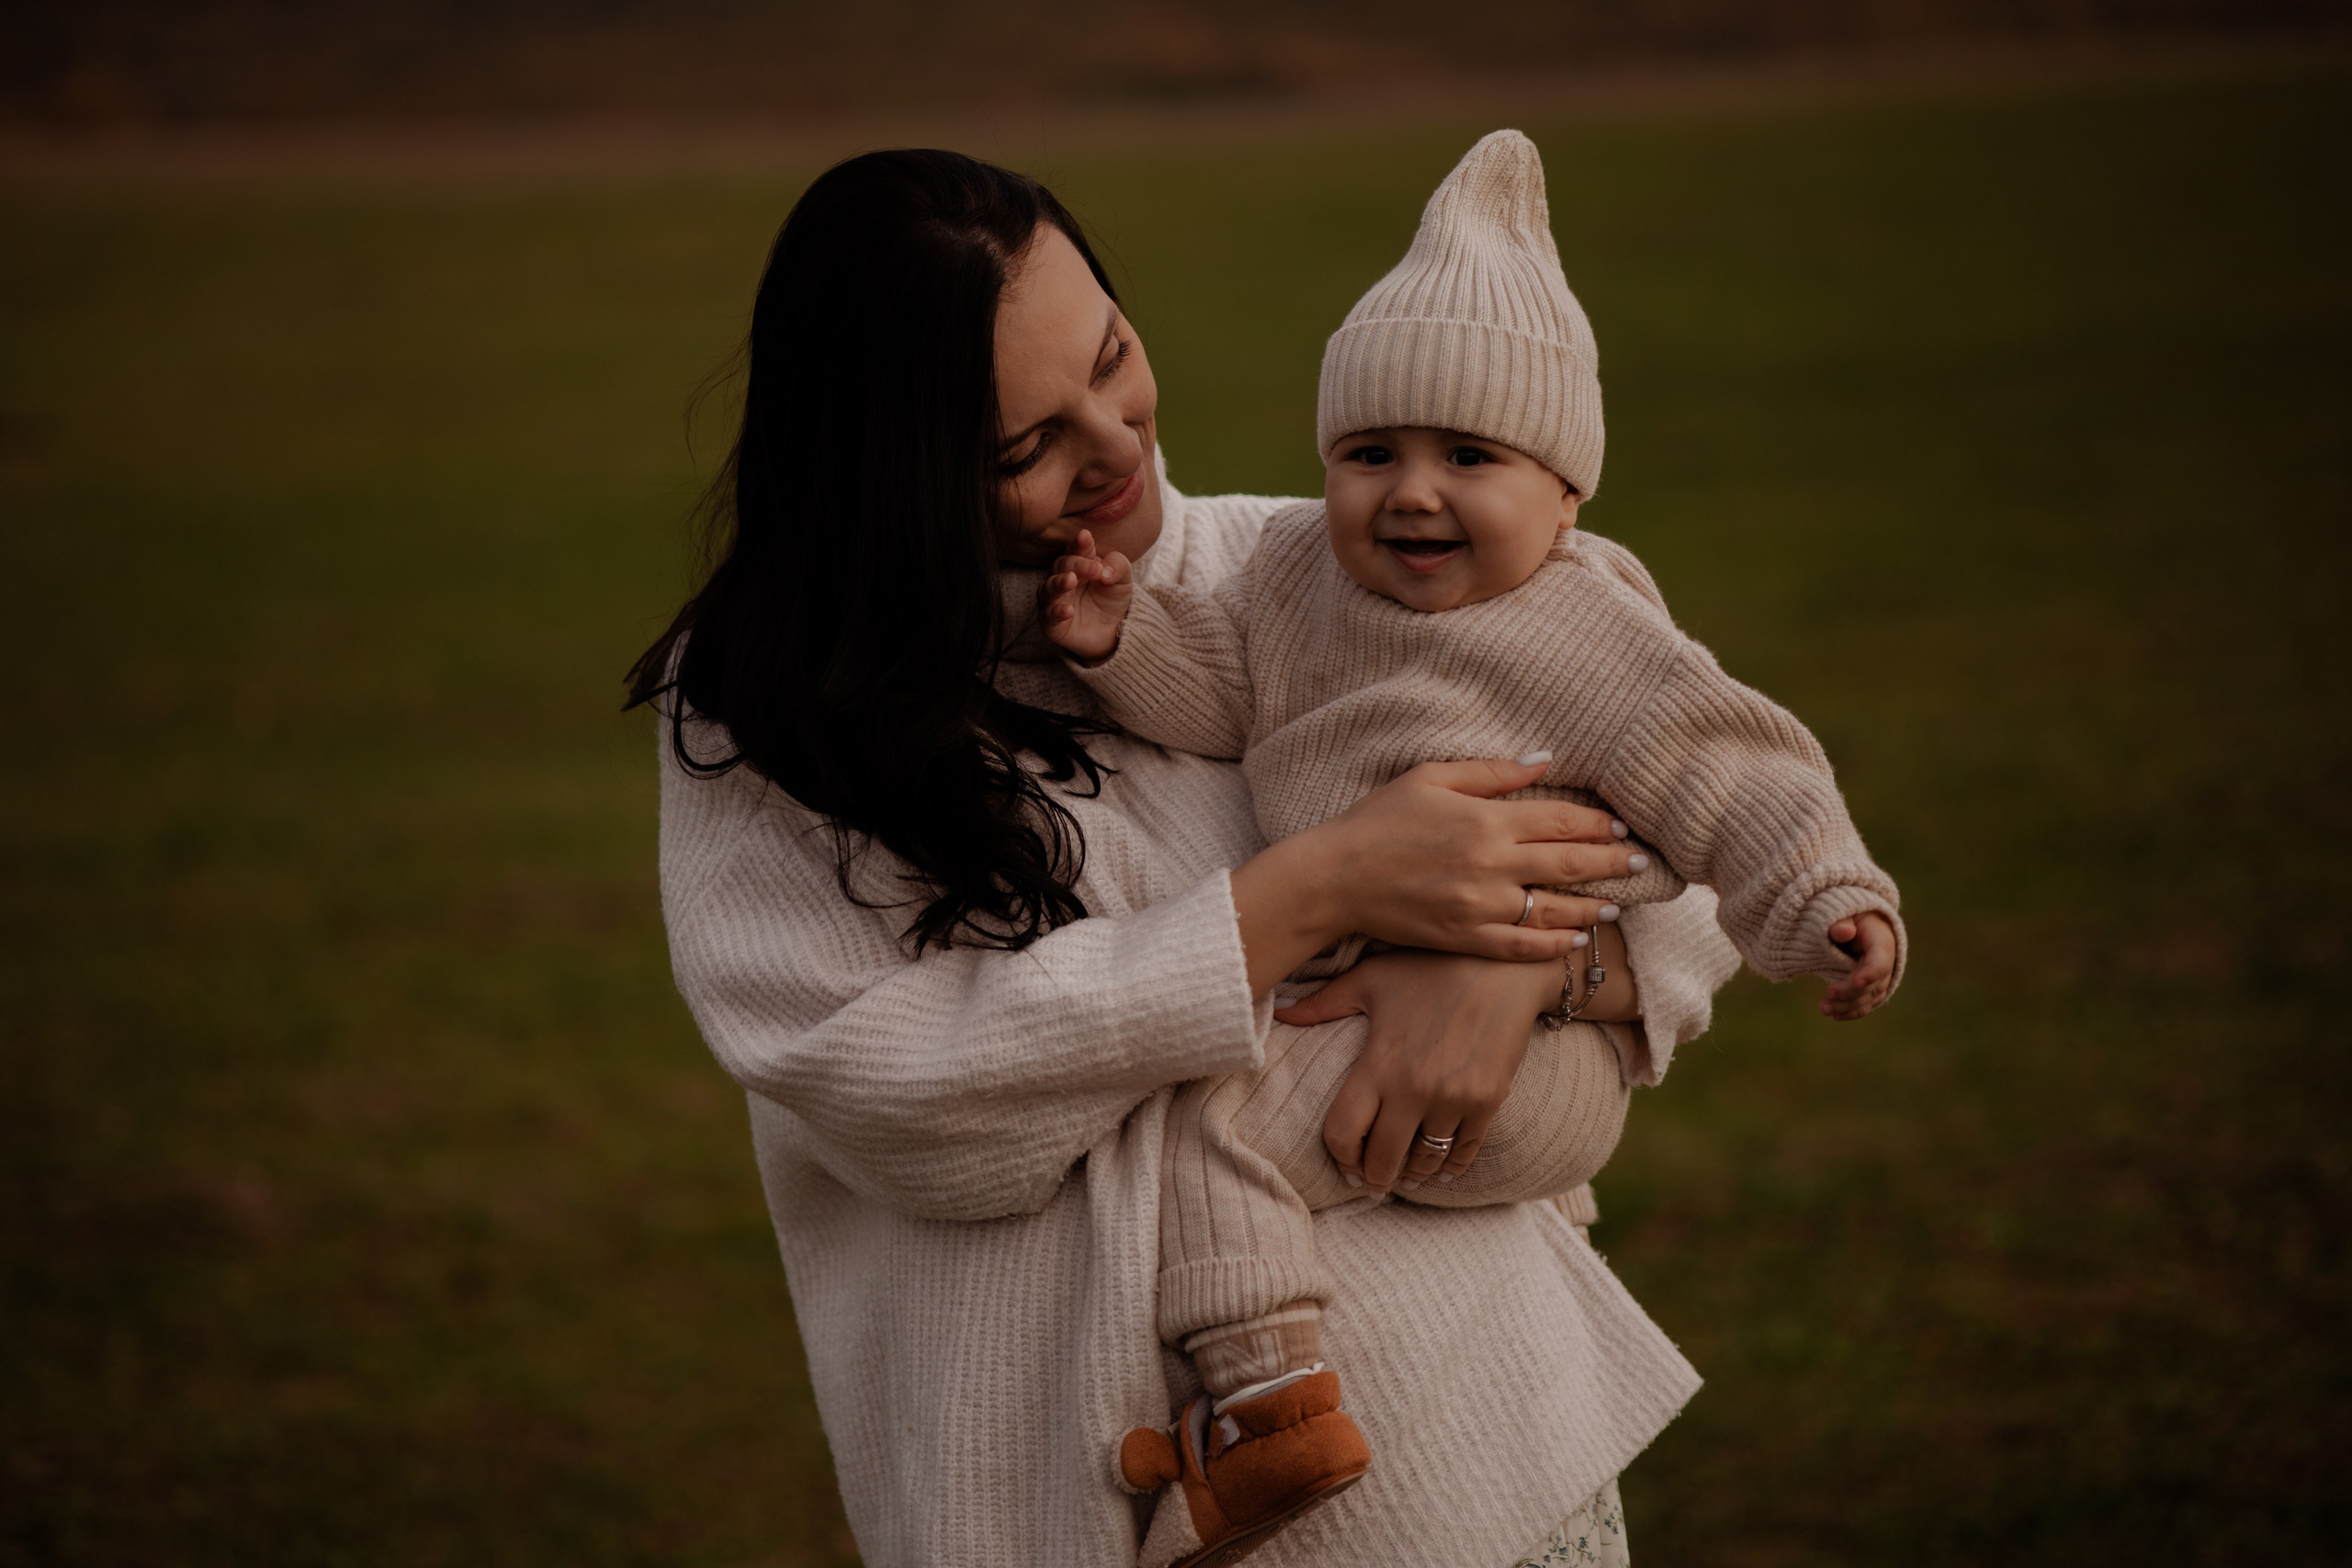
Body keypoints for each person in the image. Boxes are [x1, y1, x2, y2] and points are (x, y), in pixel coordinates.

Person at [630, 146, 1747, 1568]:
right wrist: (1316, 892)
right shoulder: (773, 721)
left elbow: (1702, 805)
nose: (1119, 445)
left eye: (1113, 355)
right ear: (891, 479)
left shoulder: (1293, 570)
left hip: (1476, 1469)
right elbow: (899, 1097)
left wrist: (1530, 972)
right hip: (1055, 1507)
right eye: (1026, 446)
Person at [1038, 130, 1905, 1560]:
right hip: (1395, 1014)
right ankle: (1263, 1403)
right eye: (1370, 452)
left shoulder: (1588, 630)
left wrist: (1827, 898)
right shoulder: (1294, 577)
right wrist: (1120, 636)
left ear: (1566, 494)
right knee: (1224, 1123)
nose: (1412, 493)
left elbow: (1735, 775)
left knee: (1215, 1134)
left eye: (1471, 456)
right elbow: (1217, 693)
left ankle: (1270, 1415)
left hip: (1534, 1061)